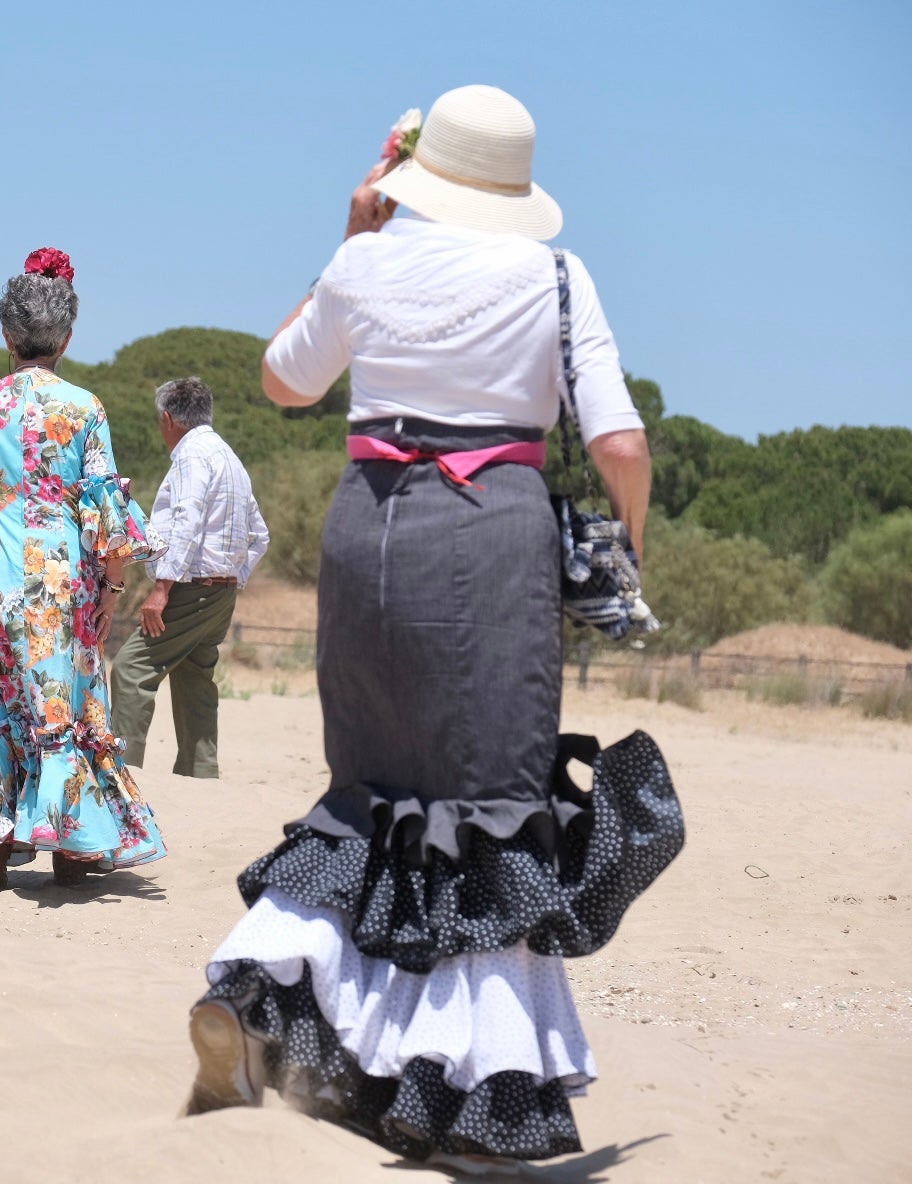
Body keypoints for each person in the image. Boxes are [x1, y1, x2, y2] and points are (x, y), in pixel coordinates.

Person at [183, 86, 684, 1173]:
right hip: (490, 534)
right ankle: (474, 1100)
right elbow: (622, 441)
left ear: (417, 173)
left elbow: (283, 380)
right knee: (491, 804)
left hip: (366, 531)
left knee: (371, 793)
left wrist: (349, 237)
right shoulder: (554, 274)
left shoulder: (367, 261)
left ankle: (255, 990)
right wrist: (626, 550)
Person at [0, 248, 168, 895]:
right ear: (67, 337)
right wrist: (112, 590)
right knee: (63, 709)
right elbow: (107, 518)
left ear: (6, 337)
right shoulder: (84, 408)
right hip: (56, 585)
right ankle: (70, 853)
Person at [109, 377, 268, 779]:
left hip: (191, 587)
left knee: (131, 671)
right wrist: (234, 576)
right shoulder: (228, 456)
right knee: (195, 676)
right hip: (220, 592)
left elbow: (188, 520)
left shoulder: (192, 456)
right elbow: (260, 533)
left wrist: (162, 587)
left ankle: (122, 774)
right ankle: (201, 773)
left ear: (167, 418)